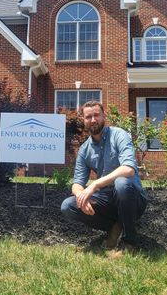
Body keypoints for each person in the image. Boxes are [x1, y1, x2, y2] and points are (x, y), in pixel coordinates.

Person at [61, 101, 147, 253]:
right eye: (88, 117)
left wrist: (94, 185)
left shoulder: (118, 135)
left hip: (132, 197)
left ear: (103, 116)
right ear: (83, 120)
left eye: (96, 115)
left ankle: (129, 242)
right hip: (107, 198)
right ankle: (116, 225)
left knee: (121, 183)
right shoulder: (84, 149)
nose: (93, 120)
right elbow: (77, 183)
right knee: (68, 206)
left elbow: (128, 169)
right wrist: (81, 196)